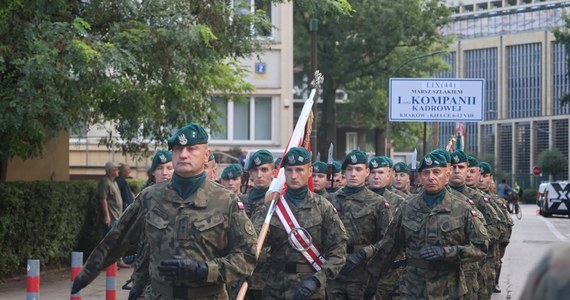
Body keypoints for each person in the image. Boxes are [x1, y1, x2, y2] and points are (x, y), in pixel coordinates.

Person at [71, 123, 258, 299]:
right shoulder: (150, 198)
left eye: (191, 149)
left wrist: (204, 270)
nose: (183, 155)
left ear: (206, 154)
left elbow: (247, 257)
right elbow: (116, 240)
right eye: (177, 149)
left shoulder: (226, 201)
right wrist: (86, 275)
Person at [365, 152, 490, 300]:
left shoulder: (462, 208)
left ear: (447, 173)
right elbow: (389, 247)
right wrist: (372, 282)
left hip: (449, 289)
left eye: (436, 172)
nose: (431, 177)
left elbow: (481, 247)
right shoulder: (407, 207)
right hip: (413, 289)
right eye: (426, 173)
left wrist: (447, 252)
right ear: (419, 177)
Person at [251, 147, 348, 299]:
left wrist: (317, 280)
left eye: (299, 170)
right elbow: (252, 244)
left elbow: (339, 251)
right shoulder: (271, 208)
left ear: (310, 171)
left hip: (310, 288)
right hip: (276, 288)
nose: (294, 176)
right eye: (289, 170)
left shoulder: (323, 207)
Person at [325, 150, 391, 299]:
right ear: (344, 172)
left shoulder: (378, 202)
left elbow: (388, 239)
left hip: (363, 272)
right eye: (349, 169)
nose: (353, 174)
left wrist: (365, 252)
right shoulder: (330, 200)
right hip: (334, 272)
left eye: (358, 169)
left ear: (367, 171)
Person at [448, 151, 502, 299]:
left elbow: (499, 230)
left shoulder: (478, 199)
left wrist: (473, 236)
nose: (456, 171)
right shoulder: (439, 197)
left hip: (471, 266)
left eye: (461, 167)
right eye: (453, 167)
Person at [234, 149, 274, 299]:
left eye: (264, 170)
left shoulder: (279, 203)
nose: (259, 175)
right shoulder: (239, 201)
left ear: (273, 171)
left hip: (270, 279)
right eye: (255, 170)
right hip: (241, 276)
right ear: (250, 173)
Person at [477, 161, 513, 294]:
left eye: (485, 175)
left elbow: (506, 230)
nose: (480, 179)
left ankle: (496, 282)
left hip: (491, 253)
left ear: (490, 178)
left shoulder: (497, 201)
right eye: (479, 174)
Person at [98, 161, 123, 233]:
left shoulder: (114, 182)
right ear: (110, 171)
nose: (118, 171)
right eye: (116, 169)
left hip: (117, 216)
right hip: (111, 217)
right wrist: (107, 216)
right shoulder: (105, 182)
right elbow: (103, 199)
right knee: (110, 239)